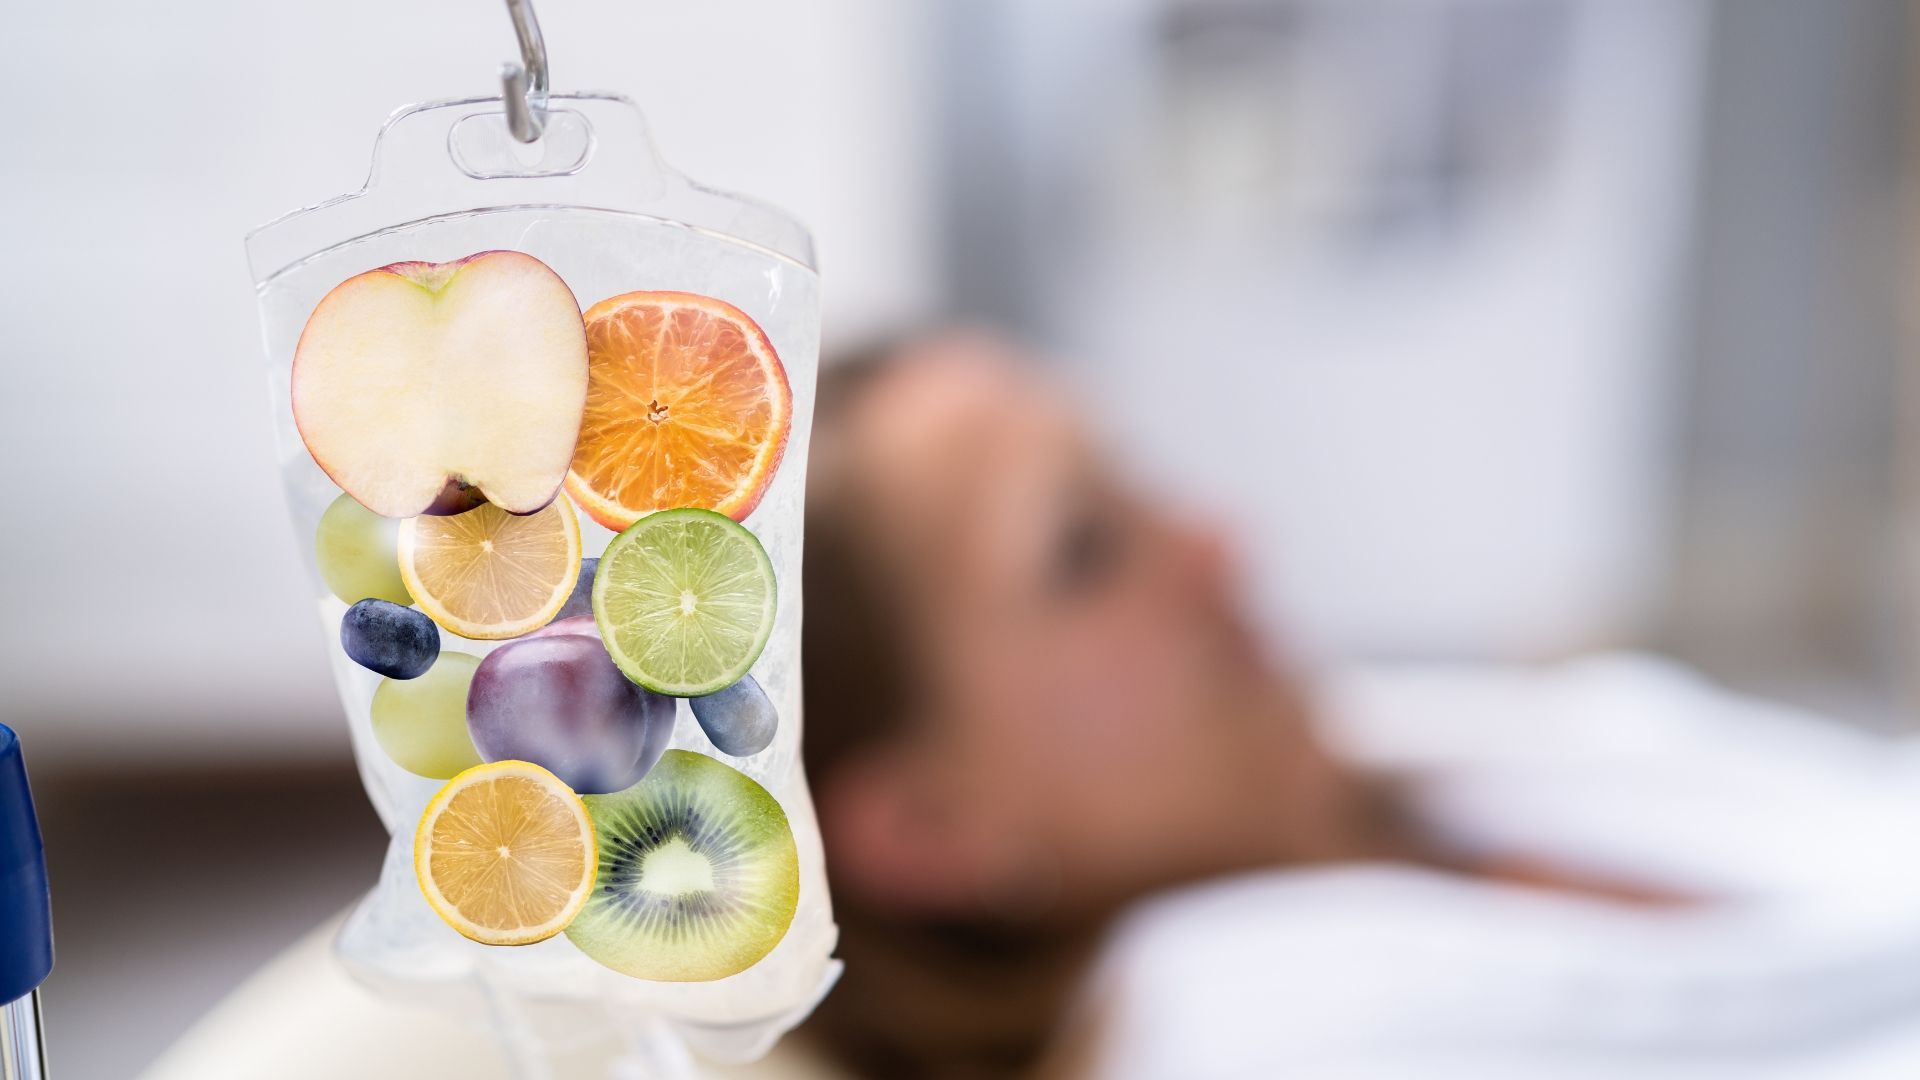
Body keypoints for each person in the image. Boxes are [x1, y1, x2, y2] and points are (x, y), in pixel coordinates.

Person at [799, 333, 1920, 1079]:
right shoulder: (1251, 1044)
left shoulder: (1383, 767)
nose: (1214, 548)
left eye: (1132, 480)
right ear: (929, 828)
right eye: (1085, 551)